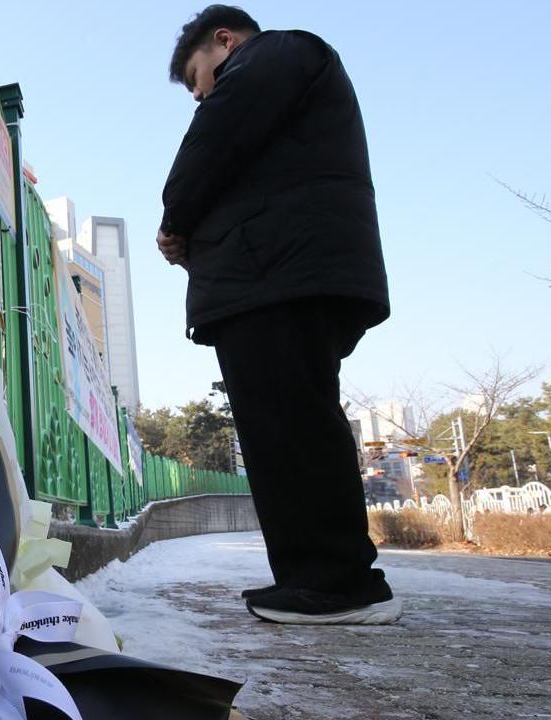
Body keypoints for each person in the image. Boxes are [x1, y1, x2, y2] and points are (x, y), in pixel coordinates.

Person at [157, 5, 401, 624]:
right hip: (277, 274)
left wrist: (174, 219)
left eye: (197, 77)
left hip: (280, 280)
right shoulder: (284, 82)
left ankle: (336, 584)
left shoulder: (278, 53)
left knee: (291, 426)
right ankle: (317, 580)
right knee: (283, 426)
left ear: (224, 40)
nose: (200, 95)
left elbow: (215, 139)